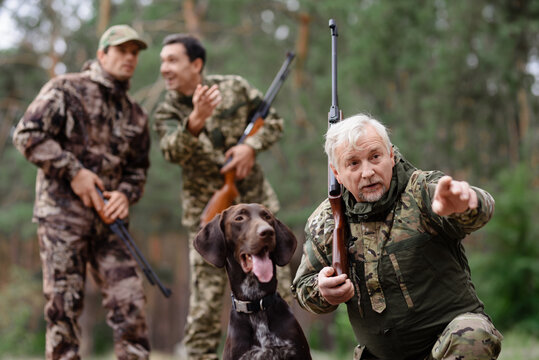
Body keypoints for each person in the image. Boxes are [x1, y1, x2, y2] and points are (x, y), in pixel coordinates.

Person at [292, 114, 503, 360]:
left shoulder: (421, 190)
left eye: (375, 157)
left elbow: (481, 207)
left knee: (473, 335)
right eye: (353, 163)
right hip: (380, 355)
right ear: (336, 172)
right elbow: (303, 287)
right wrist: (322, 290)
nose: (368, 172)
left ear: (391, 155)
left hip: (449, 347)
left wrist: (466, 204)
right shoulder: (325, 221)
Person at [12, 24, 151, 359]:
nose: (129, 58)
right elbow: (27, 135)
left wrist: (125, 195)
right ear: (102, 54)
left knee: (130, 302)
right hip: (63, 220)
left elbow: (138, 169)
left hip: (110, 226)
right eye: (121, 50)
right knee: (64, 309)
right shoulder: (66, 89)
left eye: (134, 52)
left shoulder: (136, 114)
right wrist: (74, 172)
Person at [153, 33, 292, 360]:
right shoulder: (167, 110)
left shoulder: (235, 88)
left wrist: (249, 147)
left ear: (196, 64)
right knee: (203, 311)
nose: (164, 69)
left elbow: (274, 122)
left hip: (258, 218)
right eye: (162, 62)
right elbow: (171, 152)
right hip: (210, 223)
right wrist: (195, 120)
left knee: (276, 298)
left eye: (172, 60)